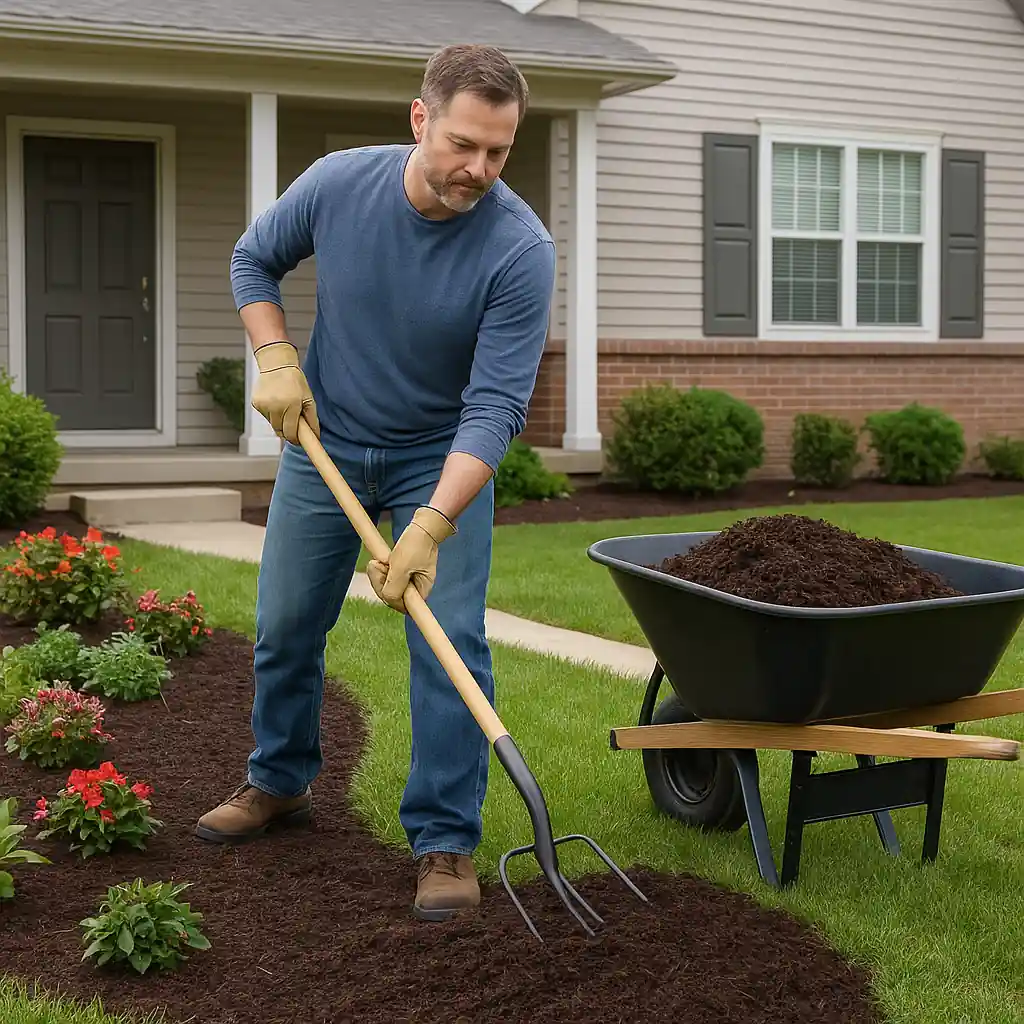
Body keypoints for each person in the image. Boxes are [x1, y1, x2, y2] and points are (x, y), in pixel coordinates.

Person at [193, 43, 556, 924]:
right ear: (420, 118)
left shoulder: (519, 248)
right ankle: (280, 780)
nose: (479, 169)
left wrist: (430, 525)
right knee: (286, 623)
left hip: (441, 456)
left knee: (449, 640)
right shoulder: (338, 184)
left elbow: (495, 409)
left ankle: (445, 838)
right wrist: (276, 357)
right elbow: (253, 260)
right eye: (463, 144)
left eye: (499, 151)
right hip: (329, 443)